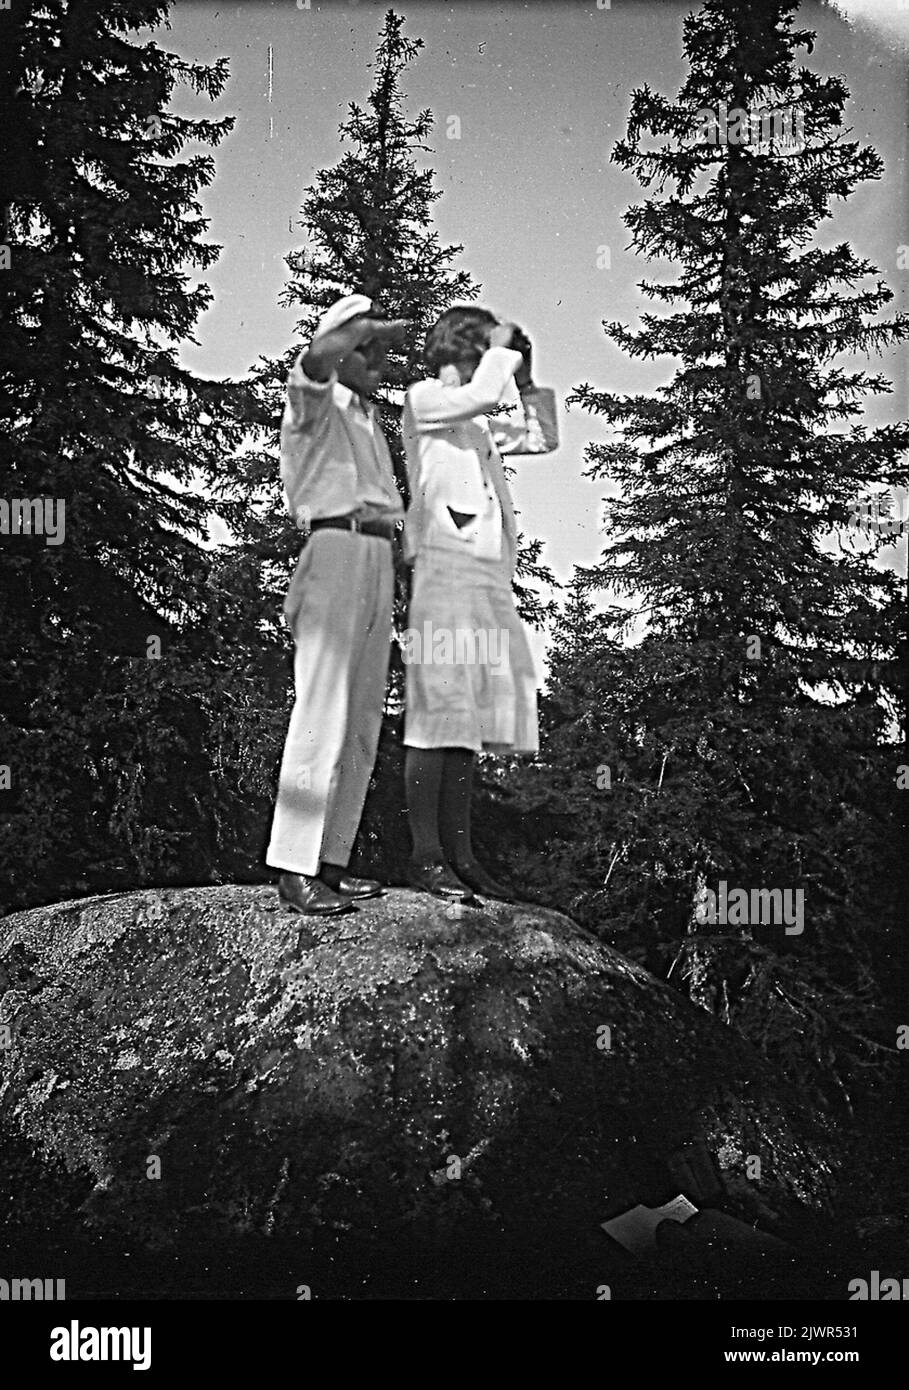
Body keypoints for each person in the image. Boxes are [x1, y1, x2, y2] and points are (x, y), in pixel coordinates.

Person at [400, 307, 559, 900]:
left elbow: (541, 437)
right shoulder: (424, 400)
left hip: (486, 576)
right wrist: (503, 355)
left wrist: (526, 375)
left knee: (468, 722)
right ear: (459, 351)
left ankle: (462, 855)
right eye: (477, 353)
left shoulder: (478, 425)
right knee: (435, 712)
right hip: (443, 570)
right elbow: (481, 393)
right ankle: (425, 855)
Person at [266, 294, 407, 916]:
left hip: (376, 559)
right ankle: (293, 865)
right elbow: (316, 358)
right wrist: (355, 332)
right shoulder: (312, 402)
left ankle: (331, 860)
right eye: (367, 349)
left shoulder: (370, 417)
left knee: (361, 719)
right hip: (334, 551)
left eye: (382, 350)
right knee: (322, 711)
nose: (380, 360)